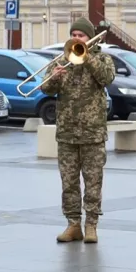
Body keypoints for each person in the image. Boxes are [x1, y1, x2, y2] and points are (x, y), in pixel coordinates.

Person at [41, 17, 116, 244]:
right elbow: (45, 88)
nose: (75, 38)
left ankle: (91, 225)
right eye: (73, 34)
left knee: (93, 182)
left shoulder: (101, 58)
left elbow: (107, 78)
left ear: (89, 38)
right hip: (66, 132)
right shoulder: (62, 60)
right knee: (69, 182)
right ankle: (73, 224)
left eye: (80, 35)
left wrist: (87, 57)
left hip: (93, 133)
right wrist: (55, 77)